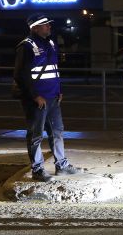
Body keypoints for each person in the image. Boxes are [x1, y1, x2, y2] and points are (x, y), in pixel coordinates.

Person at [12, 13, 80, 182]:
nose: (49, 26)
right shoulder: (26, 46)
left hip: (53, 98)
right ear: (35, 27)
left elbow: (54, 70)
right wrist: (35, 96)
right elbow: (21, 75)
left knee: (57, 132)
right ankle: (37, 169)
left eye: (49, 24)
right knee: (36, 135)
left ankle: (61, 165)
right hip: (37, 100)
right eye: (45, 24)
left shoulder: (50, 43)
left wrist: (59, 90)